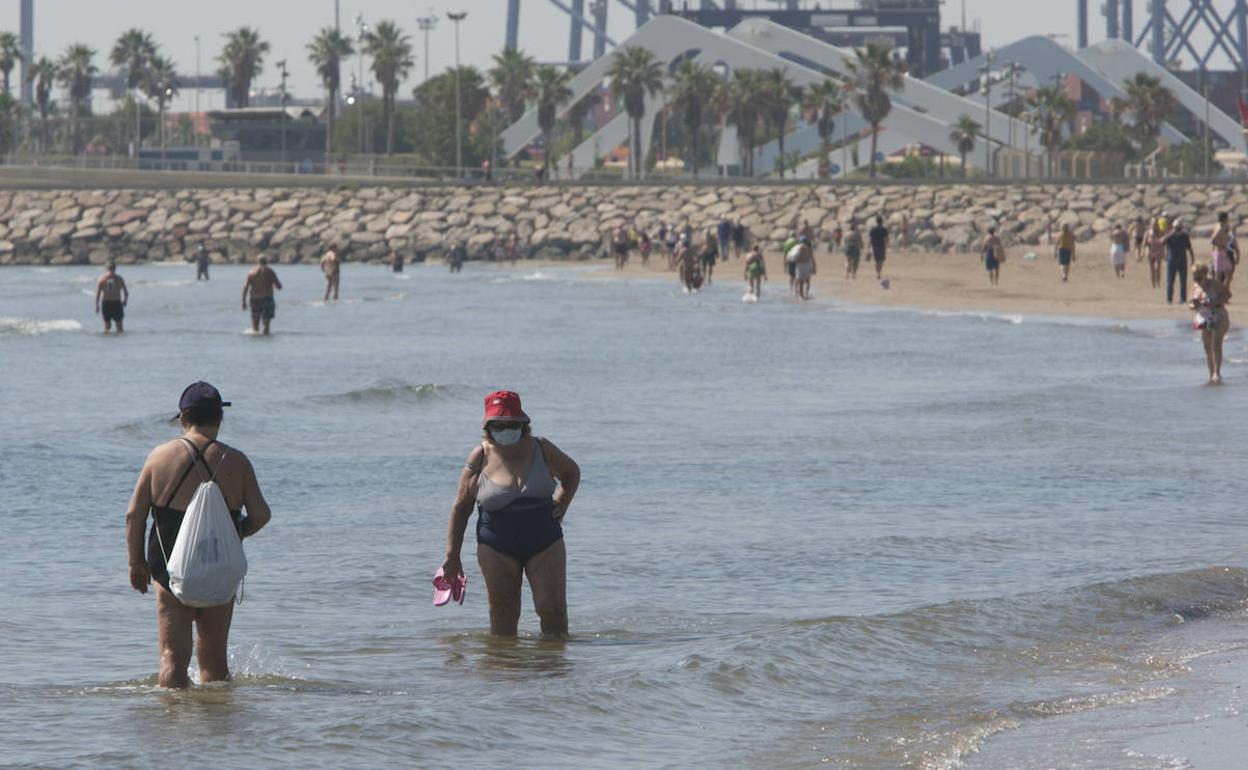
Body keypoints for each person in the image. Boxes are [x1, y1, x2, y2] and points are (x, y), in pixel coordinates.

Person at [124, 382, 272, 688]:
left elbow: (133, 516)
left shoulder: (159, 457)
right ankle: (214, 729)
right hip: (219, 567)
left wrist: (135, 565)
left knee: (172, 660)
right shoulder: (236, 461)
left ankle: (175, 728)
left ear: (182, 418)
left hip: (167, 570)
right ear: (219, 418)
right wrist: (237, 533)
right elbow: (261, 515)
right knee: (215, 663)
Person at [440, 391, 580, 638]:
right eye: (499, 425)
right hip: (496, 547)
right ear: (488, 426)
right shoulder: (479, 456)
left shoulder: (542, 448)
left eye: (512, 425)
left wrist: (562, 502)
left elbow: (571, 473)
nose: (506, 429)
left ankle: (555, 671)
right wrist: (452, 557)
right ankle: (504, 672)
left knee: (553, 612)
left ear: (523, 424)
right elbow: (461, 509)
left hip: (545, 543)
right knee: (503, 615)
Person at [1189, 263, 1232, 384]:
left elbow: (1228, 295)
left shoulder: (1215, 284)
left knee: (1216, 344)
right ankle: (1211, 373)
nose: (1196, 280)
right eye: (1194, 277)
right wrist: (1193, 305)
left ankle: (1217, 373)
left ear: (1204, 274)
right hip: (1204, 318)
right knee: (1207, 347)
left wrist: (1214, 302)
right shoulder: (1195, 287)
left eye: (1198, 277)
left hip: (1219, 316)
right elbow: (1190, 303)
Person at [241, 255, 282, 335]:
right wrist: (272, 284)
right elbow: (279, 287)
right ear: (266, 261)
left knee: (255, 327)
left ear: (257, 261)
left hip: (255, 300)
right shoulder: (270, 271)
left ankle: (256, 345)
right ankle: (265, 342)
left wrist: (243, 301)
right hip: (267, 299)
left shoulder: (251, 272)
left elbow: (245, 287)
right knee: (266, 325)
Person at [1163, 219, 1195, 304]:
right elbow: (1161, 241)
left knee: (1183, 281)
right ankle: (1169, 299)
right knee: (1170, 281)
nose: (1177, 229)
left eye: (1179, 228)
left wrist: (1192, 259)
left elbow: (1189, 248)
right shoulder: (1170, 236)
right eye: (1176, 227)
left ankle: (1183, 299)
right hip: (1171, 260)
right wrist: (1171, 233)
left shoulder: (1185, 236)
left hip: (1182, 261)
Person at [95, 260, 129, 334]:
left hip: (106, 303)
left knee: (107, 327)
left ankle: (107, 344)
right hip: (117, 302)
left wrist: (97, 305)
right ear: (115, 268)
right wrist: (125, 300)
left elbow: (97, 294)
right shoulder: (119, 278)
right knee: (119, 327)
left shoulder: (101, 279)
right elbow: (126, 292)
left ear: (106, 268)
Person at [1211, 212, 1234, 283]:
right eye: (1227, 218)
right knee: (1218, 276)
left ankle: (1223, 290)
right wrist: (1221, 245)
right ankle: (1217, 292)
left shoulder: (1224, 226)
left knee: (1229, 273)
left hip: (1224, 253)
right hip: (1219, 253)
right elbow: (1213, 240)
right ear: (1224, 219)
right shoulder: (1219, 228)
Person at [793, 236, 816, 300]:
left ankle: (802, 295)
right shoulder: (809, 248)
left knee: (801, 281)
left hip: (801, 265)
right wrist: (814, 267)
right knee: (806, 280)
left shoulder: (798, 248)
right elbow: (812, 259)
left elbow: (794, 257)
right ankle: (806, 294)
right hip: (807, 265)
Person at [1145, 218, 1166, 290]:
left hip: (1159, 252)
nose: (1155, 225)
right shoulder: (1148, 232)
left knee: (1158, 268)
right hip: (1150, 252)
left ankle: (1158, 283)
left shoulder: (1161, 232)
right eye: (1153, 223)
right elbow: (1144, 243)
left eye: (1156, 224)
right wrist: (1142, 251)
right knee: (1152, 270)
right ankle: (1153, 285)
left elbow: (1165, 241)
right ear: (1151, 224)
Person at [868, 216, 889, 280]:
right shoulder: (884, 229)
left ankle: (878, 273)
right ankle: (879, 272)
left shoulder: (873, 229)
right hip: (882, 246)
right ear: (882, 221)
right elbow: (886, 238)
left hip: (875, 246)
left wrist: (868, 246)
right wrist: (887, 244)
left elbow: (870, 239)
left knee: (876, 260)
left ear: (876, 221)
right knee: (881, 260)